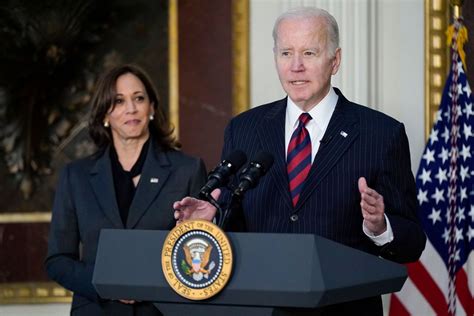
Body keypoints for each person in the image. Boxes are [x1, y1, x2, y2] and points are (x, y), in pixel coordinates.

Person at [173, 7, 426, 315]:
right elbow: (234, 220)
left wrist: (380, 226)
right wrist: (211, 221)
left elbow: (412, 243)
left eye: (309, 52)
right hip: (261, 307)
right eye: (286, 53)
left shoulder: (381, 133)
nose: (296, 67)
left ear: (335, 61)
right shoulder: (244, 130)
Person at [45, 64, 206, 315]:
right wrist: (107, 285)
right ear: (104, 115)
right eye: (118, 101)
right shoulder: (75, 176)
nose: (131, 109)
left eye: (138, 98)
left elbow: (202, 251)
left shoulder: (188, 170)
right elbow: (58, 261)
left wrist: (147, 283)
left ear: (151, 107)